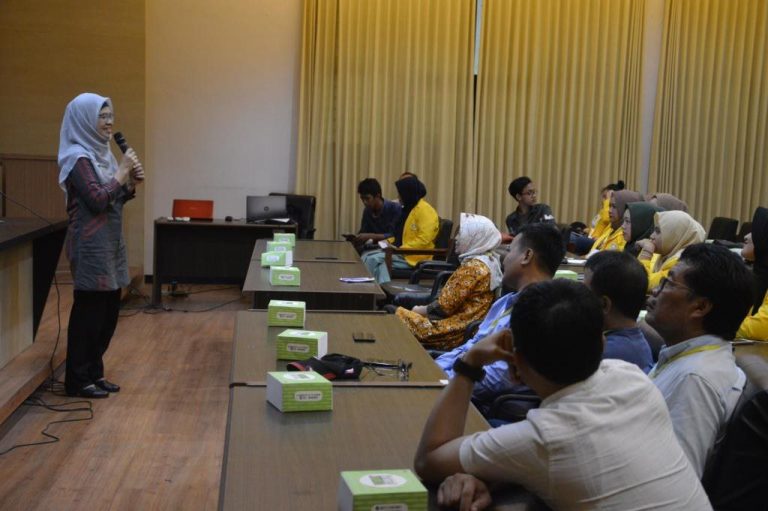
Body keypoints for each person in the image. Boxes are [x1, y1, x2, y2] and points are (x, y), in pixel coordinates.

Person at [414, 279, 711, 511]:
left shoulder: (544, 438)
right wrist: (492, 473)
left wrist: (470, 364)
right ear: (602, 343)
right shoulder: (632, 378)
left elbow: (429, 460)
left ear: (515, 364)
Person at [58, 93, 144, 398]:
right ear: (84, 120)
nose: (109, 122)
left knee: (107, 313)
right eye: (102, 116)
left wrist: (129, 183)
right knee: (89, 314)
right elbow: (96, 199)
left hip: (110, 241)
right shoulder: (77, 158)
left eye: (110, 116)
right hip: (90, 244)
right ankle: (77, 380)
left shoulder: (102, 154)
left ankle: (94, 373)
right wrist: (121, 173)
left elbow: (112, 197)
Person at [645, 243, 753, 477]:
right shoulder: (692, 357)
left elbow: (677, 481)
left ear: (700, 307)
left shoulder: (695, 380)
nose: (655, 291)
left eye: (668, 283)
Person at [435, 223, 565, 405]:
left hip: (480, 402)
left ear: (527, 256)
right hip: (458, 381)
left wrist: (445, 382)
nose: (503, 259)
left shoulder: (543, 313)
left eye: (510, 251)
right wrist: (435, 369)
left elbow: (498, 378)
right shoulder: (504, 302)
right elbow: (471, 346)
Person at [395, 213, 502, 351]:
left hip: (453, 331)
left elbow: (443, 308)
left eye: (461, 234)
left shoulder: (473, 269)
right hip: (468, 329)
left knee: (393, 313)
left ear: (475, 237)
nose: (456, 239)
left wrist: (417, 310)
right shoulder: (489, 261)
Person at [583, 251, 653, 372]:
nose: (579, 297)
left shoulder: (605, 356)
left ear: (604, 304)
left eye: (584, 292)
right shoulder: (630, 340)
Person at [360, 176, 439, 283]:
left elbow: (424, 240)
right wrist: (386, 243)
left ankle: (366, 289)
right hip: (401, 252)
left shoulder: (426, 211)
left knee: (372, 259)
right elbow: (399, 235)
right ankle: (384, 290)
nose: (399, 197)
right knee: (367, 256)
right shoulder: (408, 209)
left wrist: (400, 249)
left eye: (400, 194)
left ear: (408, 194)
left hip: (414, 256)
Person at [636, 210, 706, 291]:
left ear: (675, 236)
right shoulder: (664, 254)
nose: (651, 236)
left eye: (658, 232)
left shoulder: (682, 263)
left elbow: (640, 283)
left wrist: (647, 252)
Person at [736, 206, 768, 340]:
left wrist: (714, 326)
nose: (746, 236)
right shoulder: (756, 275)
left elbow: (760, 328)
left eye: (755, 232)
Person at [349, 178, 402, 251]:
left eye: (367, 198)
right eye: (362, 198)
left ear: (377, 196)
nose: (364, 202)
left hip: (389, 248)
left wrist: (371, 236)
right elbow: (363, 232)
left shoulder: (395, 208)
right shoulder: (367, 211)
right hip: (372, 247)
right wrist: (356, 238)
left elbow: (393, 235)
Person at [588, 189, 643, 254]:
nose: (609, 210)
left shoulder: (626, 234)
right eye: (609, 206)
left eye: (614, 207)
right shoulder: (612, 227)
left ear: (624, 208)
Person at [503, 176, 555, 241]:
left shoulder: (543, 209)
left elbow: (551, 230)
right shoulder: (511, 219)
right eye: (529, 193)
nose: (534, 196)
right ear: (518, 197)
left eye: (534, 192)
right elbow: (516, 239)